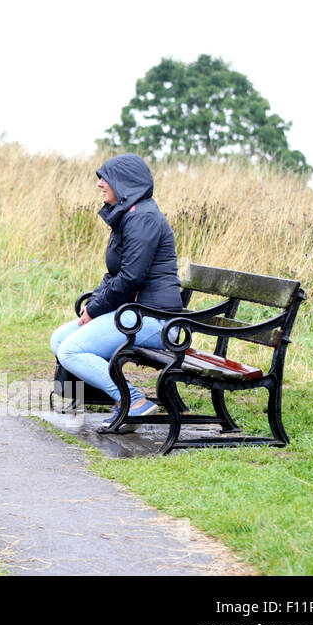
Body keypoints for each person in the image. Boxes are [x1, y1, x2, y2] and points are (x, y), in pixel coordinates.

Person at [49, 153, 182, 430]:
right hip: (136, 315)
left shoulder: (142, 218)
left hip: (157, 321)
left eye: (105, 178)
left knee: (71, 350)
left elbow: (131, 279)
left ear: (125, 183)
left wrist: (95, 309)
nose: (99, 184)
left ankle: (133, 401)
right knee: (60, 338)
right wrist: (93, 305)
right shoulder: (129, 215)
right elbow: (114, 275)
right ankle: (119, 397)